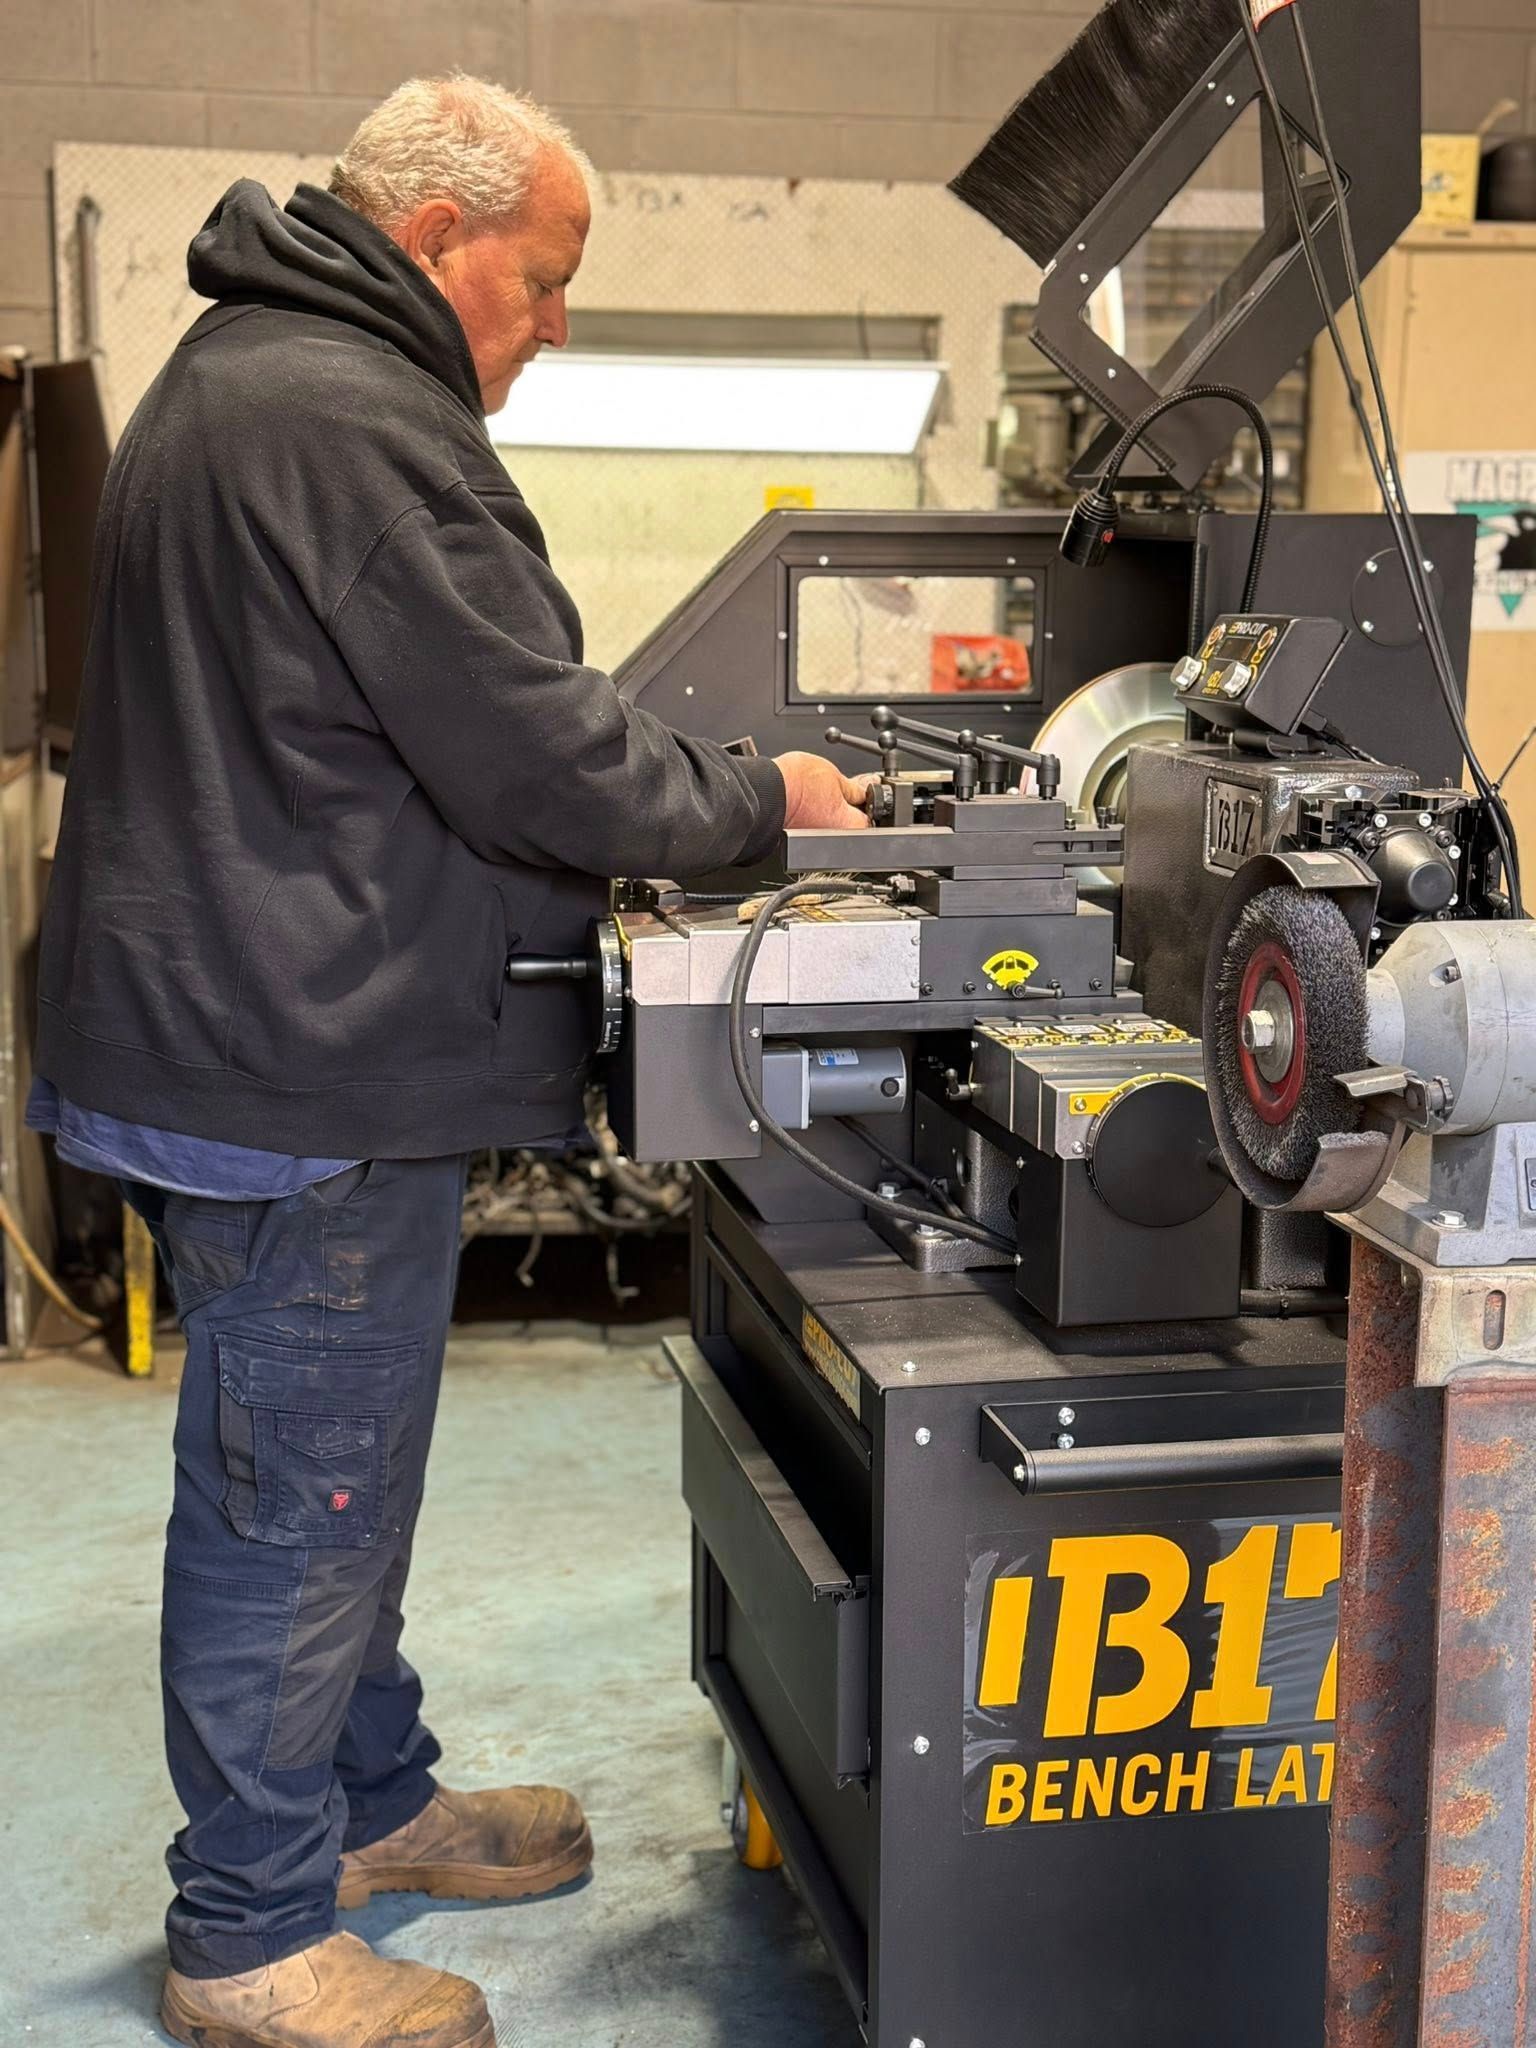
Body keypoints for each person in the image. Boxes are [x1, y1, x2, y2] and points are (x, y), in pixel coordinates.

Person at [30, 74, 871, 2048]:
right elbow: (538, 751)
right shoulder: (353, 422)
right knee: (296, 1494)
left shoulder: (261, 371)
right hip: (294, 1061)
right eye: (549, 279)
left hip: (265, 1029)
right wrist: (771, 802)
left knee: (345, 1465)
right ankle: (247, 1937)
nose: (559, 321)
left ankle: (368, 1802)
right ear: (438, 243)